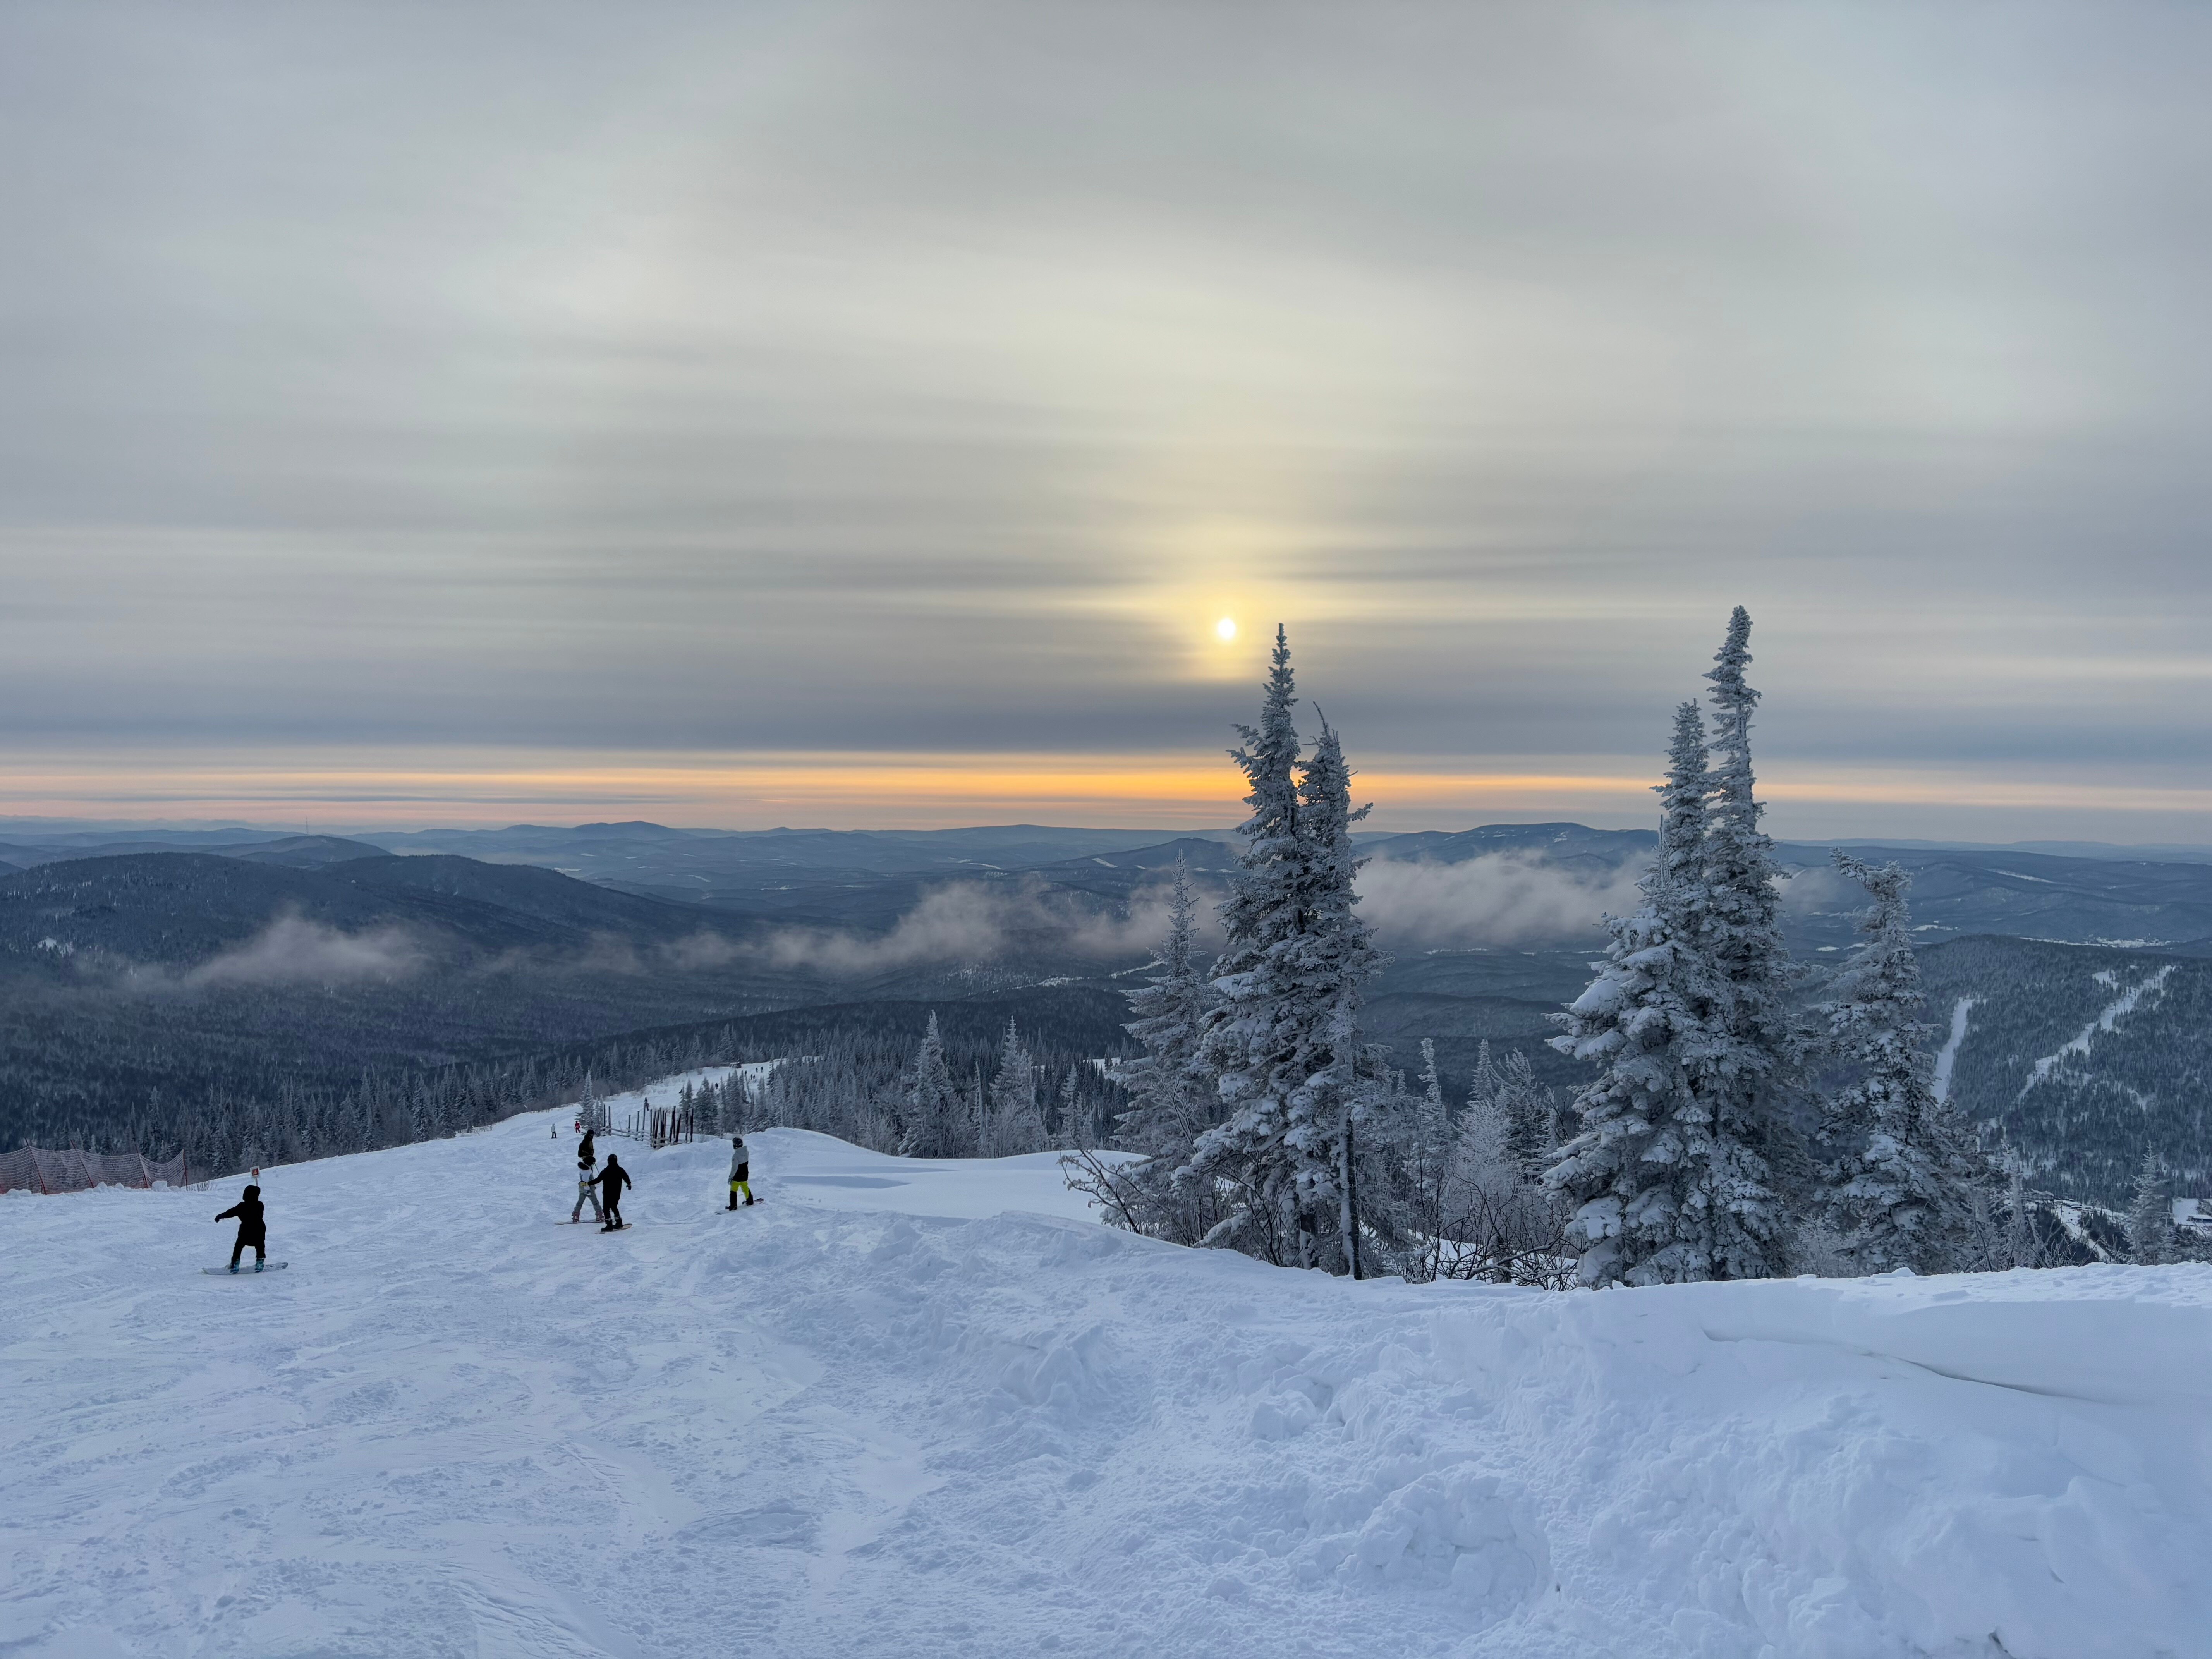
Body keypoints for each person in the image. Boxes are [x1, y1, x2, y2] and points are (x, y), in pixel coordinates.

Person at [215, 1184, 267, 1272]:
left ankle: (235, 1266)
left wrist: (220, 1216)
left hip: (246, 1231)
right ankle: (260, 1265)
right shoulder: (260, 1205)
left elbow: (230, 1213)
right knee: (260, 1246)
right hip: (259, 1230)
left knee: (238, 1247)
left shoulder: (242, 1206)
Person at [595, 1153, 631, 1231]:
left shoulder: (606, 1171)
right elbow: (626, 1177)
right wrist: (629, 1184)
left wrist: (588, 1183)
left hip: (607, 1194)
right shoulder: (620, 1170)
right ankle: (619, 1223)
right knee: (614, 1207)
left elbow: (598, 1180)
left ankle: (609, 1226)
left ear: (608, 1161)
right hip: (617, 1193)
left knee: (606, 1209)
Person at [571, 1153, 604, 1224]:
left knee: (580, 1203)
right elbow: (585, 1181)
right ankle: (599, 1215)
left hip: (582, 1189)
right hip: (589, 1189)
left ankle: (576, 1215)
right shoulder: (587, 1171)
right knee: (595, 1202)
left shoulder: (583, 1169)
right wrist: (587, 1190)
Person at [727, 1135, 754, 1209]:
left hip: (737, 1176)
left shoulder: (736, 1156)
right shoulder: (746, 1152)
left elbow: (734, 1168)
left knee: (733, 1190)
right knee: (745, 1187)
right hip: (745, 1175)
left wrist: (731, 1177)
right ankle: (750, 1201)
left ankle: (733, 1206)